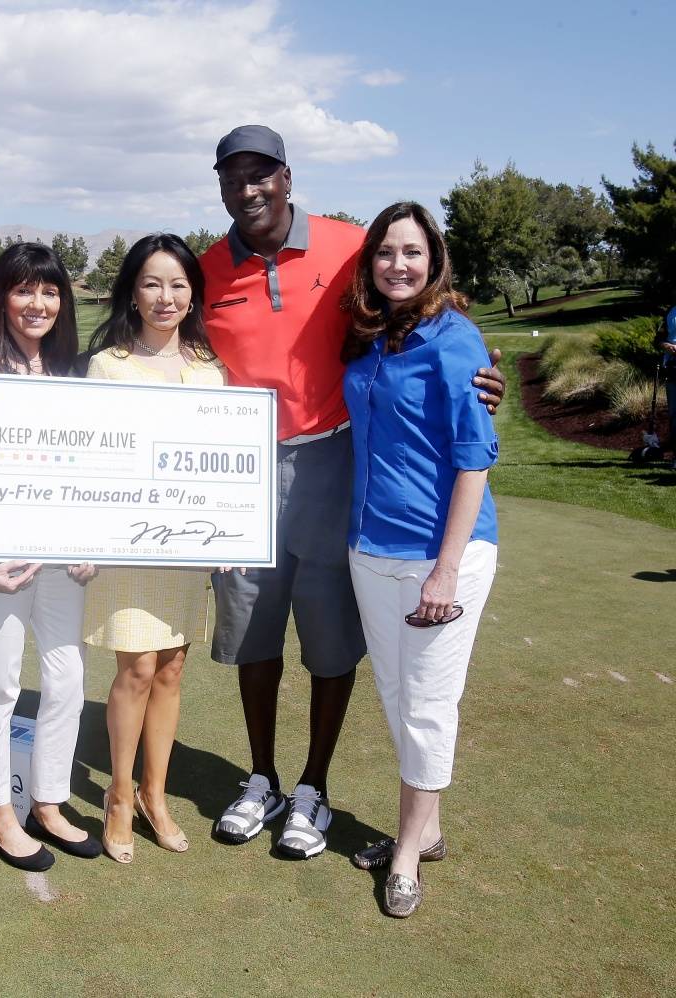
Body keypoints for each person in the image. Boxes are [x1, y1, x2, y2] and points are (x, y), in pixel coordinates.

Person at [199, 125, 505, 859]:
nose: (248, 189)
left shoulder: (347, 248)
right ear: (220, 186)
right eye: (232, 176)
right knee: (252, 633)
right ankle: (262, 776)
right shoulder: (207, 264)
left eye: (261, 174)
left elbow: (419, 308)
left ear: (287, 177)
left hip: (335, 464)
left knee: (332, 640)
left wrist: (477, 375)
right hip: (239, 471)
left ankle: (313, 788)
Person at [341, 201, 499, 917]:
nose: (397, 264)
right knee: (400, 700)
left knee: (430, 708)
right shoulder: (371, 337)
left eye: (411, 252)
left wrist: (445, 567)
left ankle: (406, 854)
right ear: (370, 263)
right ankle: (425, 831)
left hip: (441, 554)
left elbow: (474, 459)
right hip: (369, 546)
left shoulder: (454, 339)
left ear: (434, 259)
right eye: (385, 253)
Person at [82, 233, 225, 863]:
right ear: (132, 293)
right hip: (125, 541)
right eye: (151, 283)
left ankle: (154, 794)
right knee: (136, 667)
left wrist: (229, 528)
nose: (165, 297)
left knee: (171, 665)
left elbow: (224, 464)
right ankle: (117, 794)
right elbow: (90, 458)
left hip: (184, 544)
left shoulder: (208, 370)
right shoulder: (108, 366)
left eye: (177, 284)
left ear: (193, 294)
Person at [0, 243, 101, 870]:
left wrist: (94, 542)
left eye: (49, 292)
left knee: (67, 679)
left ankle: (48, 801)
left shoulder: (74, 375)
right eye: (23, 291)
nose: (37, 304)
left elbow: (98, 472)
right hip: (0, 562)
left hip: (62, 560)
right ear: (1, 299)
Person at [661, 304, 676, 469]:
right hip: (673, 367)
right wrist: (667, 346)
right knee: (674, 414)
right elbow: (659, 338)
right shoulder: (670, 311)